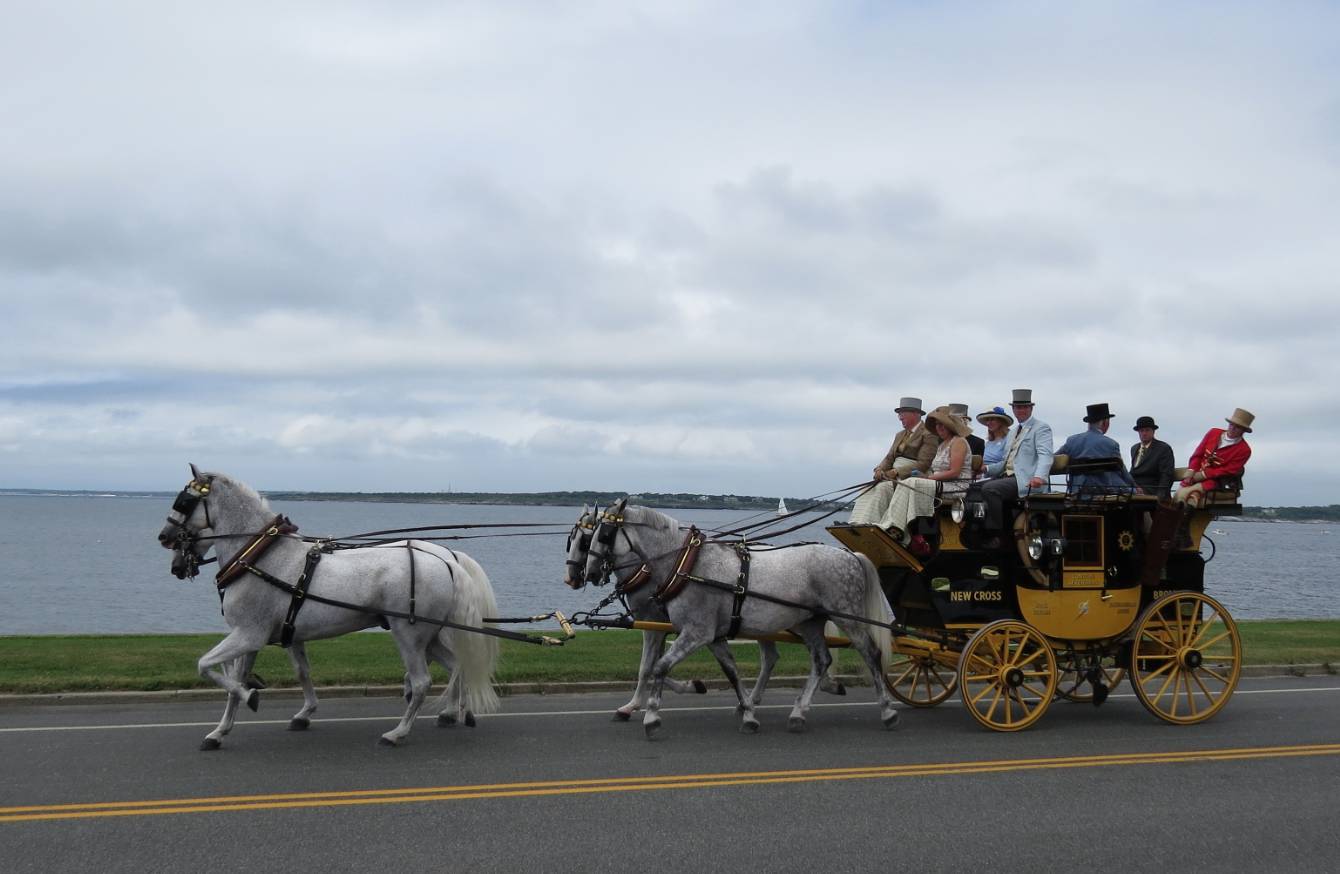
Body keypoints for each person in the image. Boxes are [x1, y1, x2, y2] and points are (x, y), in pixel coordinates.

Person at [878, 407, 974, 555]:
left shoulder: (959, 442)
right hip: (941, 483)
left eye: (942, 424)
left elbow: (955, 472)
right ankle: (899, 526)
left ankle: (896, 526)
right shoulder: (942, 445)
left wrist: (928, 478)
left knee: (912, 483)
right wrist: (924, 475)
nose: (939, 427)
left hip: (957, 486)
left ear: (951, 425)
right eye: (937, 424)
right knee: (908, 481)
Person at [979, 389, 1053, 549]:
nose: (1021, 411)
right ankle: (976, 533)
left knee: (990, 489)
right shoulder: (1012, 433)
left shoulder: (1041, 428)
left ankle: (999, 535)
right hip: (1008, 477)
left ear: (1031, 408)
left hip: (1026, 480)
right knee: (973, 489)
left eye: (1024, 407)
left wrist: (1039, 477)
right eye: (1018, 408)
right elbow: (1003, 465)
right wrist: (984, 469)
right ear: (1013, 410)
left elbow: (1045, 456)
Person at [848, 397, 940, 525]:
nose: (900, 418)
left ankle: (875, 523)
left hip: (912, 474)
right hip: (895, 473)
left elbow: (923, 463)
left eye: (903, 414)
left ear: (914, 414)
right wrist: (879, 469)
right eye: (899, 415)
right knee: (867, 488)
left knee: (883, 488)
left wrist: (897, 472)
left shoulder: (928, 434)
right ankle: (856, 522)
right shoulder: (900, 434)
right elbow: (890, 457)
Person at [1175, 409, 1254, 507]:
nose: (1232, 428)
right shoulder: (1214, 433)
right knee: (1176, 495)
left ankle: (1184, 521)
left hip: (1214, 481)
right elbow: (1198, 454)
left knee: (1187, 495)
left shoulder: (1244, 450)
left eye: (1237, 427)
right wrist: (1190, 472)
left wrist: (1204, 474)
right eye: (1231, 425)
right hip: (1195, 474)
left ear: (1243, 431)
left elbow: (1229, 470)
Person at [1055, 403, 1137, 494]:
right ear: (1105, 423)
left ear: (1089, 424)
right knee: (1135, 493)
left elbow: (1055, 459)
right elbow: (1121, 470)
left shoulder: (1072, 440)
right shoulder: (1111, 444)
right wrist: (1135, 485)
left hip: (1076, 490)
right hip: (1101, 490)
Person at [1130, 415, 1175, 498]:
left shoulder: (1163, 448)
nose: (1144, 433)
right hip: (1135, 487)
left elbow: (1166, 474)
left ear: (1153, 431)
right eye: (1141, 430)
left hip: (1153, 488)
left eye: (1147, 430)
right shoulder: (1134, 448)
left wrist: (1160, 496)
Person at [975, 406, 1014, 478]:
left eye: (992, 419)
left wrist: (985, 469)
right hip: (983, 475)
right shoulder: (988, 443)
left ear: (1000, 422)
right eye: (987, 420)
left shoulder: (1009, 440)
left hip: (999, 476)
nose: (989, 423)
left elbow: (1006, 463)